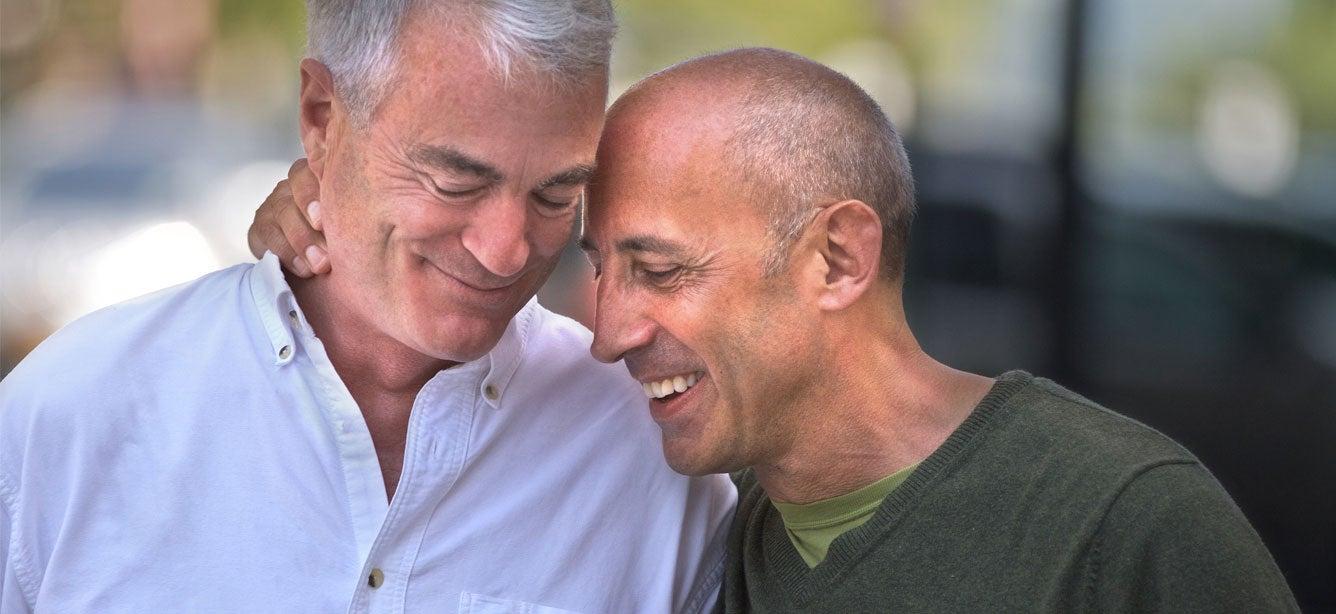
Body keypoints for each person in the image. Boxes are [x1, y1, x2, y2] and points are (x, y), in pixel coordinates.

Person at [252, 48, 1299, 612]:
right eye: (600, 266)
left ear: (836, 259)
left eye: (658, 268)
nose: (608, 331)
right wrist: (323, 217)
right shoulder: (708, 505)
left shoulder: (1121, 526)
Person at [0, 2, 734, 612]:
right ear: (321, 118)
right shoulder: (70, 417)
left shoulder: (648, 455)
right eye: (456, 182)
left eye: (554, 194)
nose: (508, 250)